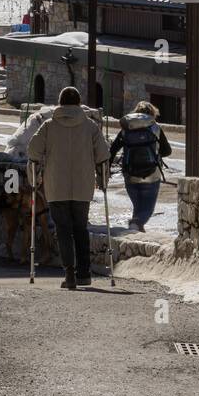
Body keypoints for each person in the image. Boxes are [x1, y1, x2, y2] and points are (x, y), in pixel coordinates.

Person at [27, 86, 109, 289]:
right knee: (81, 229)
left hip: (56, 185)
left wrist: (34, 177)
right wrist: (103, 178)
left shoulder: (49, 126)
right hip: (83, 185)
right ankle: (84, 274)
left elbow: (33, 151)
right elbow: (103, 154)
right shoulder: (90, 126)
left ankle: (69, 274)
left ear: (60, 102)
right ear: (79, 102)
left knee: (63, 230)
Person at [109, 101, 171, 233]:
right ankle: (135, 224)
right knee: (147, 209)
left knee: (138, 207)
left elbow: (112, 150)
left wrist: (105, 172)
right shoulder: (155, 127)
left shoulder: (127, 128)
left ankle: (136, 232)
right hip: (152, 175)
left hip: (130, 175)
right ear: (152, 114)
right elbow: (167, 151)